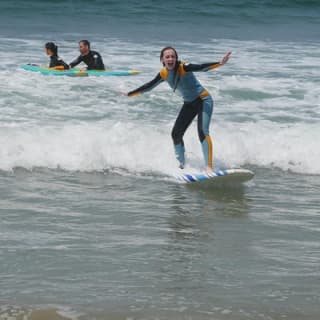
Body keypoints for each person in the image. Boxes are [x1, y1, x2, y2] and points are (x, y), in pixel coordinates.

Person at [126, 46, 231, 172]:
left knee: (202, 131)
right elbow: (149, 86)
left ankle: (209, 167)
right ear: (162, 60)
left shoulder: (183, 67)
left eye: (173, 56)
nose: (171, 59)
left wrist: (220, 63)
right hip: (189, 104)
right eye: (167, 57)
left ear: (176, 59)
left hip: (203, 100)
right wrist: (129, 94)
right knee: (176, 134)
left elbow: (202, 67)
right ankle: (182, 166)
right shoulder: (163, 73)